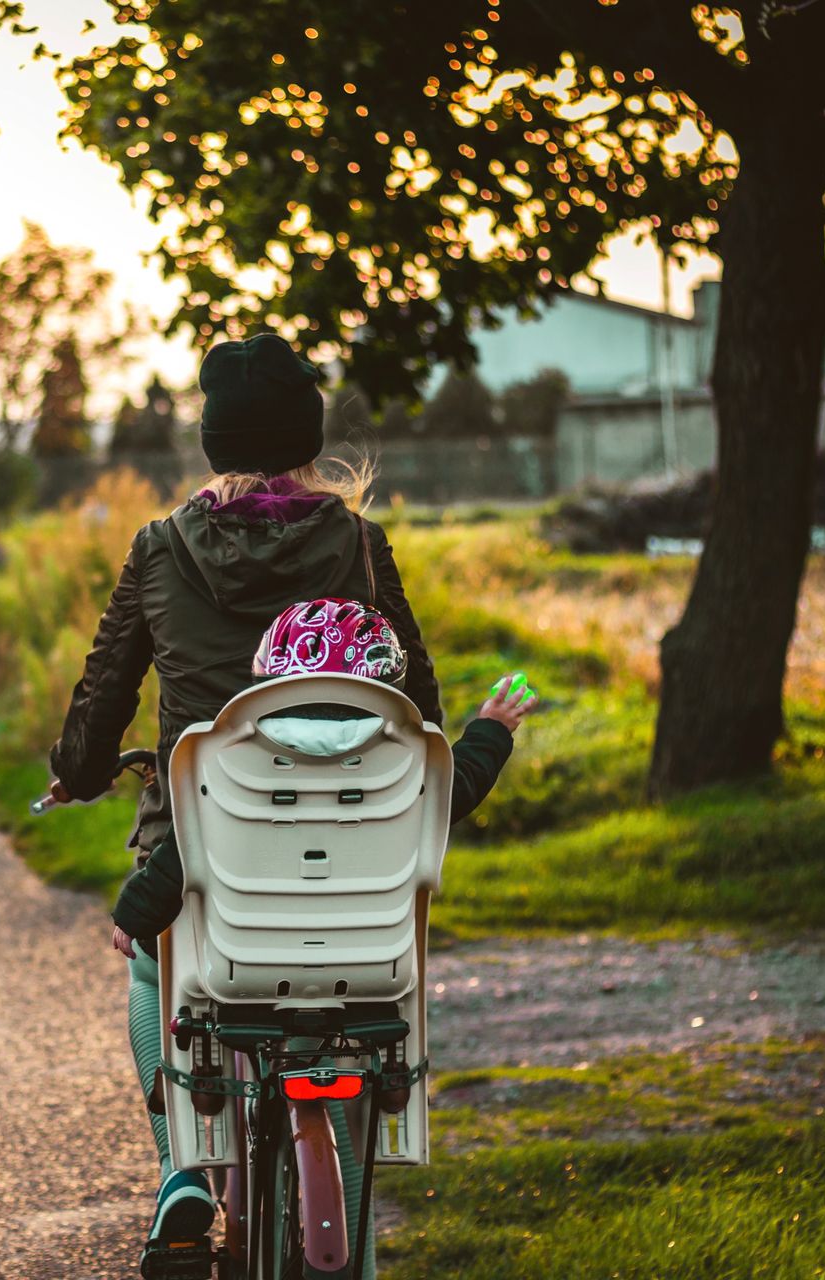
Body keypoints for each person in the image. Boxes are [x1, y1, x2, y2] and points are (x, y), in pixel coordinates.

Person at [42, 333, 535, 1278]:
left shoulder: (159, 549)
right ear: (312, 437)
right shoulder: (358, 543)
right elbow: (417, 720)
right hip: (352, 846)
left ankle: (181, 1167)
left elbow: (102, 705)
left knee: (158, 972)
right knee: (343, 1004)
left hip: (202, 851)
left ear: (212, 440)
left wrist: (81, 769)